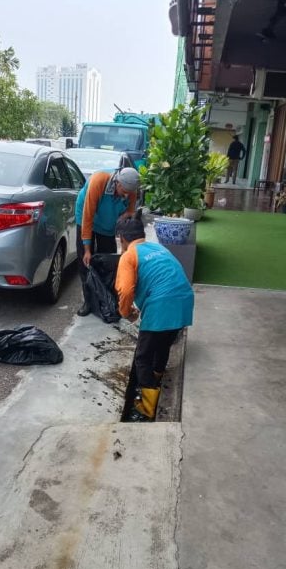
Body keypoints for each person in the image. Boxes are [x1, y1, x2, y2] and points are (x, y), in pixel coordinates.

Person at [114, 217, 194, 422]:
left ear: (122, 239)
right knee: (162, 345)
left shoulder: (129, 255)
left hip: (162, 305)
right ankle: (156, 379)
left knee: (142, 358)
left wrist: (125, 312)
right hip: (184, 302)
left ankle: (147, 408)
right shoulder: (159, 249)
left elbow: (125, 290)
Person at [75, 167, 139, 317]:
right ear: (117, 182)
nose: (126, 195)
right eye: (124, 191)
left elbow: (130, 213)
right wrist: (87, 249)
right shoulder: (99, 182)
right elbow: (88, 216)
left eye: (129, 193)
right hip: (87, 217)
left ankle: (106, 299)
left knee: (108, 259)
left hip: (108, 222)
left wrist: (125, 244)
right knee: (85, 262)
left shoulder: (131, 190)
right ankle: (88, 302)